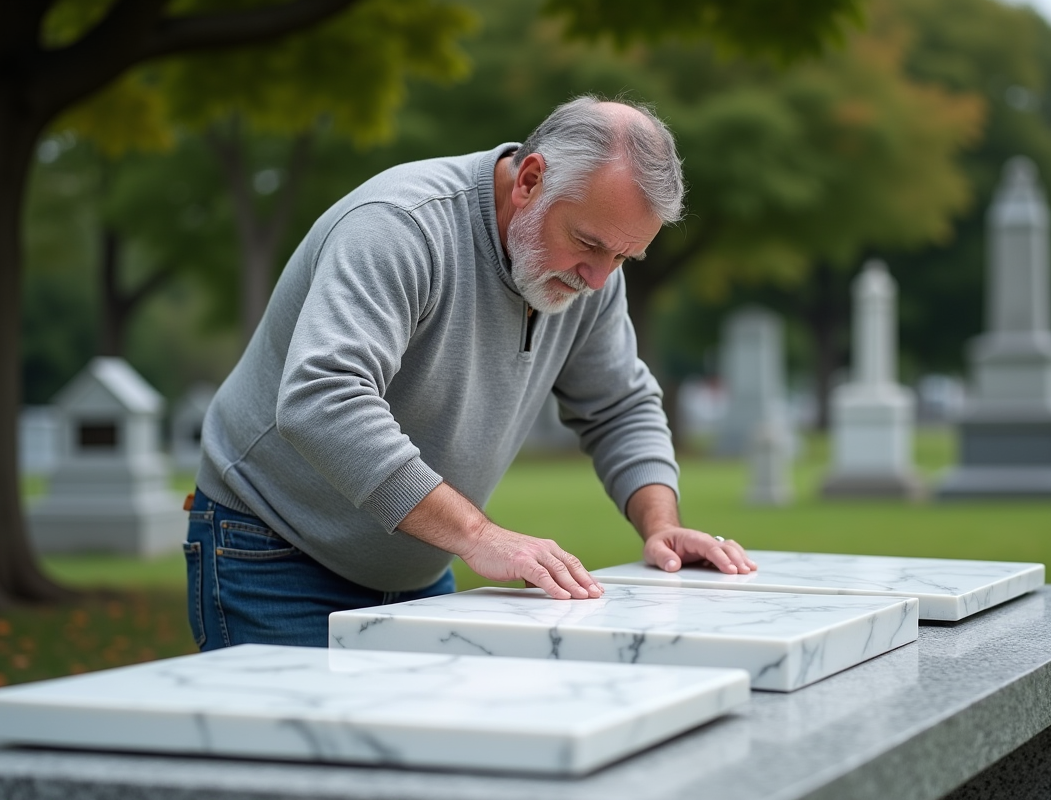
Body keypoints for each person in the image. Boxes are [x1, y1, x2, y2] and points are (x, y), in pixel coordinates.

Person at [184, 96, 757, 650]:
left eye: (623, 258)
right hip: (270, 552)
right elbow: (322, 399)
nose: (599, 279)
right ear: (530, 180)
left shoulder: (591, 274)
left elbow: (619, 407)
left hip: (419, 560)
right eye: (587, 243)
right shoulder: (399, 228)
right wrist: (479, 537)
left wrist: (660, 525)